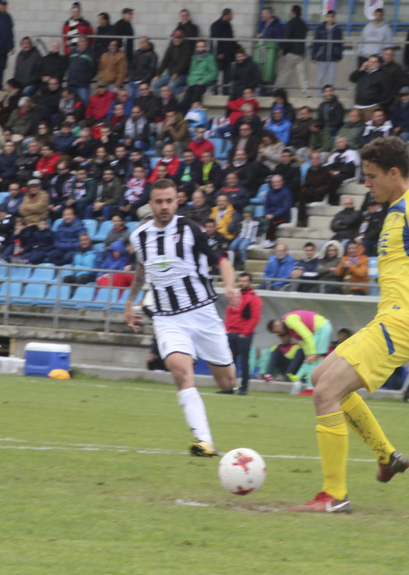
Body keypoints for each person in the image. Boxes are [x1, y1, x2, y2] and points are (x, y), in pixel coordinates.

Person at [291, 137, 409, 513]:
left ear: (395, 174)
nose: (367, 183)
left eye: (373, 176)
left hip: (404, 322)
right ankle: (387, 456)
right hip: (391, 319)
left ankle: (333, 496)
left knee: (325, 391)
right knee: (321, 380)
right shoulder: (396, 208)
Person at [123, 179, 240, 457]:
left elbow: (222, 260)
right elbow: (142, 270)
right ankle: (203, 441)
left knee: (228, 382)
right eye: (159, 201)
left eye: (169, 201)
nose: (164, 206)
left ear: (177, 201)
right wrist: (130, 302)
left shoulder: (191, 229)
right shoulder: (139, 236)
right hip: (167, 318)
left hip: (203, 313)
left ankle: (220, 373)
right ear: (151, 204)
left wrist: (230, 286)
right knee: (179, 371)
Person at [224, 272, 262, 395]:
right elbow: (229, 313)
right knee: (230, 363)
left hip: (243, 334)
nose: (242, 283)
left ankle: (243, 388)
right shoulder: (237, 295)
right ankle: (229, 387)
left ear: (250, 282)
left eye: (244, 281)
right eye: (240, 281)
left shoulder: (254, 298)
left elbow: (255, 318)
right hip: (233, 333)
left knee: (244, 362)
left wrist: (245, 333)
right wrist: (227, 330)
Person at [268, 310, 332, 365]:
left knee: (318, 357)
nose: (279, 334)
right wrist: (307, 354)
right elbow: (302, 341)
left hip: (321, 327)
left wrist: (312, 353)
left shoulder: (290, 320)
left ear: (278, 325)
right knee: (312, 360)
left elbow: (307, 335)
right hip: (317, 331)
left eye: (277, 332)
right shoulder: (289, 329)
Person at [312, 11, 343, 94]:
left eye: (332, 16)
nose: (330, 18)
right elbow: (316, 43)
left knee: (331, 79)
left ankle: (329, 96)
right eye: (329, 16)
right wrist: (314, 56)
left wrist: (339, 56)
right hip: (322, 57)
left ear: (334, 18)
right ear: (326, 18)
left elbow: (340, 44)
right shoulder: (320, 28)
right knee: (320, 78)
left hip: (333, 58)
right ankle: (319, 96)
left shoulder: (337, 30)